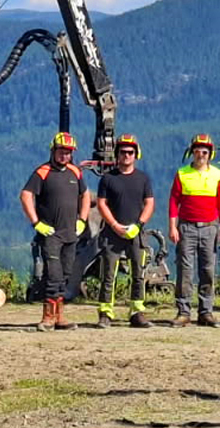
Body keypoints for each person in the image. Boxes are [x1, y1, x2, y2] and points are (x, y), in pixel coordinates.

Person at [20, 132, 90, 332]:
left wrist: (82, 220)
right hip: (50, 234)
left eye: (68, 152)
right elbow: (25, 195)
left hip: (71, 234)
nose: (64, 155)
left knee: (66, 274)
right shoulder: (42, 172)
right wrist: (36, 223)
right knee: (53, 274)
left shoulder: (75, 172)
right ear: (53, 150)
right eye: (61, 151)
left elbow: (85, 195)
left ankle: (60, 316)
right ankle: (48, 317)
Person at [167, 133, 220, 327]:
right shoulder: (182, 173)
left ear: (210, 154)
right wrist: (172, 226)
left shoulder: (217, 175)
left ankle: (206, 312)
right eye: (197, 151)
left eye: (204, 152)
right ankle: (183, 312)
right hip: (186, 227)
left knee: (208, 270)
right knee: (185, 270)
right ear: (192, 152)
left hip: (210, 227)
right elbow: (174, 201)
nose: (200, 155)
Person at [94, 133, 155, 329]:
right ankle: (105, 313)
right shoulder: (108, 178)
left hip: (136, 232)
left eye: (130, 152)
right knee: (108, 274)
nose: (126, 155)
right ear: (117, 154)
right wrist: (114, 225)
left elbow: (149, 203)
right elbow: (101, 204)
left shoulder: (143, 178)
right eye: (122, 152)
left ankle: (137, 312)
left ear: (136, 154)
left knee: (138, 273)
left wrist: (138, 225)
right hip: (112, 233)